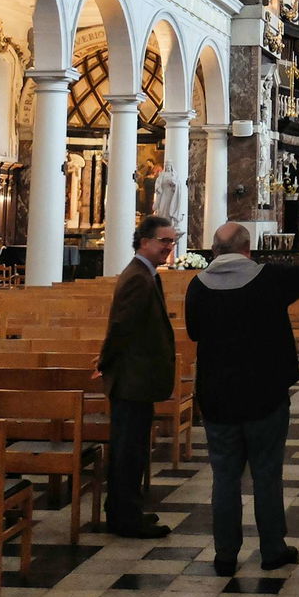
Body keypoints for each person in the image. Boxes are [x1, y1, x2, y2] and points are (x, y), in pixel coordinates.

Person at [185, 219, 299, 576]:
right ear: (248, 249)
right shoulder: (268, 279)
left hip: (218, 397)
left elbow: (194, 331)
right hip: (264, 393)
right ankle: (272, 549)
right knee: (267, 474)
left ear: (213, 251)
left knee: (224, 477)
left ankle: (225, 553)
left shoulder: (198, 286)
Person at [95, 214, 178, 538]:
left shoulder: (146, 274)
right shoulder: (137, 278)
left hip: (137, 379)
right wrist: (105, 362)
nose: (169, 247)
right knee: (128, 451)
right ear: (145, 241)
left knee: (133, 449)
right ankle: (124, 517)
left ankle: (126, 510)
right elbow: (121, 327)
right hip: (131, 380)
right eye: (164, 241)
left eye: (172, 241)